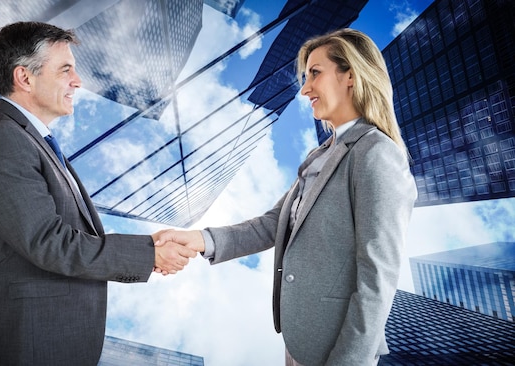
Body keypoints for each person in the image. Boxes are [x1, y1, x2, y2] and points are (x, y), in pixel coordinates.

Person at [155, 28, 417, 365]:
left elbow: (377, 277)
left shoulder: (376, 153)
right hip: (302, 341)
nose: (306, 88)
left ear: (350, 75)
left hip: (340, 348)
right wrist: (199, 238)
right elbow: (273, 225)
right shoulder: (320, 155)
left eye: (315, 74)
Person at [0, 21, 196, 366]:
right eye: (65, 70)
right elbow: (50, 243)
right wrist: (148, 255)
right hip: (29, 346)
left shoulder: (32, 141)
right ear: (24, 78)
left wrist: (149, 245)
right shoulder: (3, 142)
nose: (78, 81)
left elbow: (67, 235)